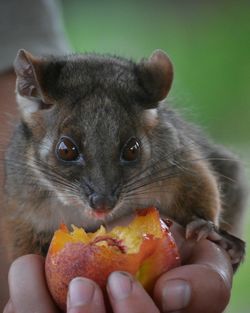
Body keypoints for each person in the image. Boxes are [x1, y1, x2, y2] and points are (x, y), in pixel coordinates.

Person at [0, 1, 234, 312]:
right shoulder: (27, 170)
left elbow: (199, 179)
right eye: (69, 152)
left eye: (130, 152)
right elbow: (19, 230)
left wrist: (205, 224)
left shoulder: (162, 150)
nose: (102, 199)